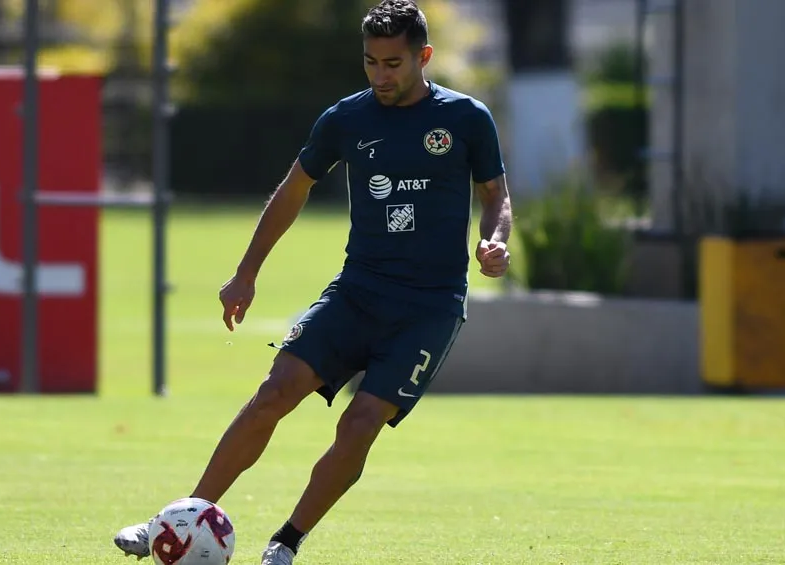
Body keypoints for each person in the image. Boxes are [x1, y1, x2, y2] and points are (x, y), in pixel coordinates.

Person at [114, 0, 512, 562]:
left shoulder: (467, 118)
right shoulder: (346, 119)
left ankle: (285, 543)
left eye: (393, 63)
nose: (380, 76)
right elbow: (293, 190)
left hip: (429, 308)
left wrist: (496, 240)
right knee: (273, 393)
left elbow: (495, 195)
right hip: (357, 292)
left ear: (423, 56)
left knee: (360, 422)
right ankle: (177, 523)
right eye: (371, 62)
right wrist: (246, 272)